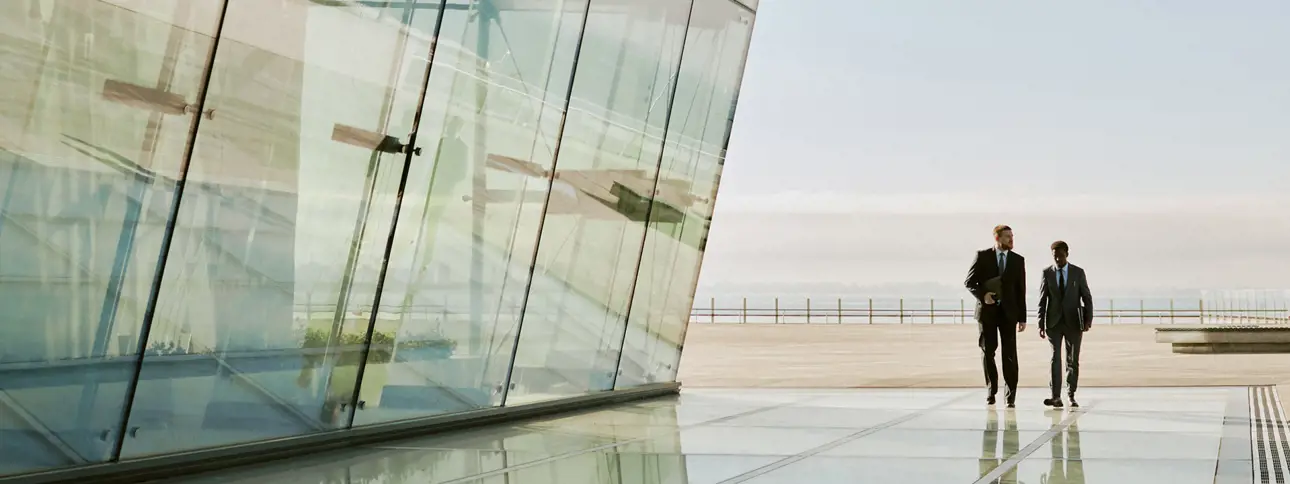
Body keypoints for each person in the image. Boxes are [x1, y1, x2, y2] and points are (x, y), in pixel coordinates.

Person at [965, 225, 1026, 408]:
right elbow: (969, 282)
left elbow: (1020, 290)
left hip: (1009, 314)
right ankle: (991, 391)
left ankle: (1011, 396)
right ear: (997, 238)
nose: (1011, 239)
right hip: (987, 313)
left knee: (1010, 355)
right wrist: (983, 295)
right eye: (1007, 236)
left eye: (1012, 236)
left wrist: (1022, 317)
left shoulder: (1018, 260)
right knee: (988, 352)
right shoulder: (982, 256)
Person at [1038, 240, 1093, 408]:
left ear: (1067, 254)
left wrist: (1088, 320)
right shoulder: (1047, 273)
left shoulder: (1078, 272)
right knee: (1055, 358)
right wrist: (1041, 323)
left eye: (1061, 256)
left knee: (1072, 359)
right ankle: (1055, 396)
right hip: (1053, 323)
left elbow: (1087, 297)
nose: (1058, 260)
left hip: (1074, 323)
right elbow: (1042, 299)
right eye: (1055, 257)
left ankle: (1071, 394)